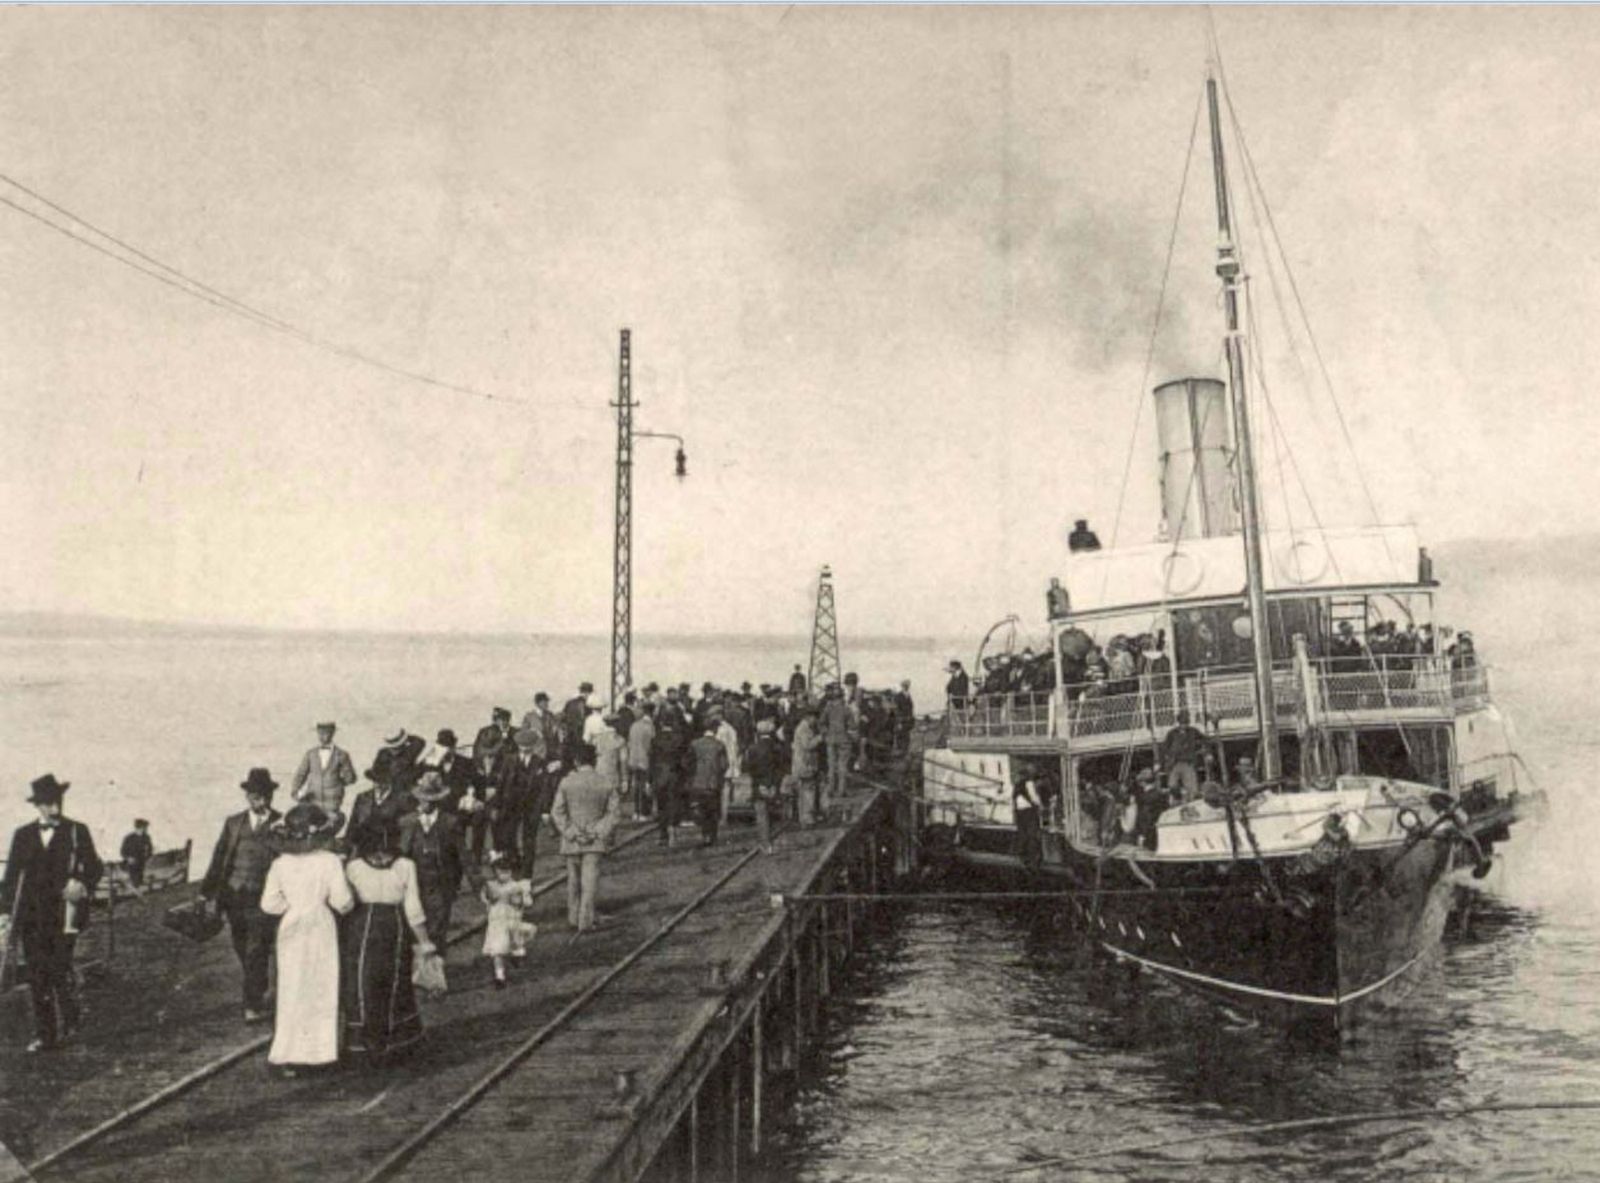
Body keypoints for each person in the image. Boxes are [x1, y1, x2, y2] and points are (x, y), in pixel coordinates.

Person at [0, 774, 104, 1052]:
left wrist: (81, 883)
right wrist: (5, 914)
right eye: (47, 804)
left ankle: (70, 1017)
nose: (54, 809)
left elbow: (95, 867)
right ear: (38, 806)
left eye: (57, 802)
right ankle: (47, 1035)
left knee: (58, 968)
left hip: (65, 915)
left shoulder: (76, 830)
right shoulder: (22, 835)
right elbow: (10, 879)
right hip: (31, 918)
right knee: (37, 974)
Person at [259, 803, 353, 1077]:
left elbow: (269, 904)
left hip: (291, 927)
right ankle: (321, 1053)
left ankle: (288, 1055)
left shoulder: (280, 864)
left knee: (291, 989)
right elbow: (343, 902)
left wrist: (292, 908)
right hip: (321, 926)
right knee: (322, 988)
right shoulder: (330, 861)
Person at [341, 821, 431, 1063]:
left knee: (363, 983)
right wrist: (424, 942)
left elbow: (345, 904)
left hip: (362, 929)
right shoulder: (405, 866)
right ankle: (395, 1042)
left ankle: (362, 1044)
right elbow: (413, 907)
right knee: (393, 983)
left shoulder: (354, 867)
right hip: (393, 927)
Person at [198, 767, 283, 1023]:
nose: (261, 801)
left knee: (256, 948)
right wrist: (206, 893)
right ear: (248, 796)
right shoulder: (234, 823)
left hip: (264, 896)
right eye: (256, 796)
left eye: (265, 796)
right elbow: (219, 857)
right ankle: (259, 984)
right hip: (234, 895)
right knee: (242, 946)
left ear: (271, 796)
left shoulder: (281, 822)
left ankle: (252, 1004)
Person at [550, 743, 620, 933]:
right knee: (589, 882)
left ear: (576, 761)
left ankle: (573, 917)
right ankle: (586, 920)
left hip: (572, 841)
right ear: (595, 760)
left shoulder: (566, 782)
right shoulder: (605, 782)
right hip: (595, 841)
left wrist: (571, 832)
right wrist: (597, 831)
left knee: (573, 880)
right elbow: (614, 814)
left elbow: (557, 812)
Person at [399, 772, 472, 950]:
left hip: (441, 885)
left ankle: (435, 973)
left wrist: (480, 885)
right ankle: (415, 974)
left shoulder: (450, 823)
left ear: (437, 801)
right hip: (414, 885)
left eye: (429, 800)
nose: (424, 803)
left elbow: (465, 857)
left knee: (437, 930)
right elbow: (400, 855)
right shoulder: (408, 823)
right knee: (414, 929)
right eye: (422, 799)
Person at [491, 728, 545, 877]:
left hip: (531, 806)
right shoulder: (509, 760)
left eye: (528, 746)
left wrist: (544, 810)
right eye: (522, 746)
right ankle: (515, 866)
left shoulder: (539, 762)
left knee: (529, 841)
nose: (525, 749)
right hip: (510, 805)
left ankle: (527, 874)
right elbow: (501, 784)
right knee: (509, 838)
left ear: (533, 746)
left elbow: (543, 788)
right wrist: (496, 805)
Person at [480, 852, 536, 988]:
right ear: (495, 873)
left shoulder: (517, 886)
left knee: (514, 943)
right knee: (497, 951)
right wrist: (489, 897)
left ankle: (516, 955)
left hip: (512, 921)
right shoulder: (491, 886)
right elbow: (485, 899)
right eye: (501, 872)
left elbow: (527, 902)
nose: (504, 875)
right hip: (497, 923)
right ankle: (500, 976)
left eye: (507, 872)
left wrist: (519, 900)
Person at [290, 721, 357, 818]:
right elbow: (301, 774)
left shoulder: (342, 755)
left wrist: (337, 783)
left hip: (332, 802)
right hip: (312, 801)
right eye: (320, 733)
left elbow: (351, 778)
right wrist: (295, 790)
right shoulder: (311, 754)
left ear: (332, 733)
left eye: (325, 733)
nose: (322, 736)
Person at [345, 762, 416, 844]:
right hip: (362, 845)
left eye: (382, 780)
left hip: (389, 848)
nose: (378, 784)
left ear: (390, 781)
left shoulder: (401, 799)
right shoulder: (362, 798)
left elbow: (407, 829)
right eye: (375, 779)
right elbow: (352, 826)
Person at [743, 719, 786, 854]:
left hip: (758, 785)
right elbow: (782, 767)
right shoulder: (777, 748)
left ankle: (765, 844)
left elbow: (748, 768)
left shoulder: (752, 749)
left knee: (761, 815)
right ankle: (771, 841)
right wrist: (774, 784)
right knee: (773, 813)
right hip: (773, 784)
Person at [687, 722, 730, 846]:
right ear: (715, 730)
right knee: (713, 809)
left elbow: (687, 762)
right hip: (713, 783)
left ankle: (704, 834)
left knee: (703, 808)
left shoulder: (694, 744)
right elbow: (724, 765)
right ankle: (712, 835)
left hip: (698, 782)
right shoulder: (719, 745)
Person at [1160, 711, 1207, 800]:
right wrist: (1162, 761)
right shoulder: (1172, 733)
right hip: (1174, 763)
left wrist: (1204, 750)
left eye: (1186, 723)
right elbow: (1164, 747)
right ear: (1179, 723)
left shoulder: (1193, 731)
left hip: (1188, 763)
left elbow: (1205, 740)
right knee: (1172, 786)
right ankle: (1177, 801)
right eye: (1182, 723)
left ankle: (1190, 800)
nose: (1184, 725)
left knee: (1193, 788)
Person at [820, 685, 854, 804]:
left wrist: (826, 734)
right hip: (844, 740)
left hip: (831, 740)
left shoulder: (828, 708)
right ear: (842, 697)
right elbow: (852, 727)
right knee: (842, 766)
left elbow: (822, 723)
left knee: (831, 765)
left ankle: (830, 789)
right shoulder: (847, 709)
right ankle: (841, 790)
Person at [791, 707, 823, 825]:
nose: (816, 721)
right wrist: (819, 738)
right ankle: (807, 817)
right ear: (809, 717)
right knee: (808, 791)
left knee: (806, 790)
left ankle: (805, 816)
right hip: (805, 764)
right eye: (815, 718)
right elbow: (807, 745)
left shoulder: (805, 727)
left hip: (805, 763)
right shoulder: (804, 728)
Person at [627, 702, 656, 818]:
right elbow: (650, 744)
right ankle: (644, 811)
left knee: (636, 785)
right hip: (644, 758)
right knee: (645, 785)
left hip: (633, 758)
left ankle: (636, 811)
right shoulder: (649, 726)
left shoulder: (634, 725)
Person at [473, 707, 516, 779]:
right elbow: (479, 750)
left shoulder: (514, 732)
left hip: (510, 768)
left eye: (506, 719)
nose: (503, 722)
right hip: (492, 767)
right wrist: (479, 766)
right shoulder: (486, 732)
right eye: (501, 719)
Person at [1012, 774, 1042, 871]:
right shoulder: (1029, 783)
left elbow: (1013, 802)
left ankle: (1024, 859)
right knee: (1033, 835)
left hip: (1019, 813)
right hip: (1029, 812)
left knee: (1023, 835)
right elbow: (1034, 798)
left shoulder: (1016, 786)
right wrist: (1041, 805)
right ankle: (1034, 861)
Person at [121, 818, 154, 891]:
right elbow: (123, 851)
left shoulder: (146, 837)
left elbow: (150, 849)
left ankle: (137, 889)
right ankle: (134, 889)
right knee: (135, 880)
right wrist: (128, 858)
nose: (145, 829)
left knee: (139, 880)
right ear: (138, 828)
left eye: (145, 828)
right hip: (130, 864)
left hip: (141, 862)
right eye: (143, 828)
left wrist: (147, 857)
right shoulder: (129, 838)